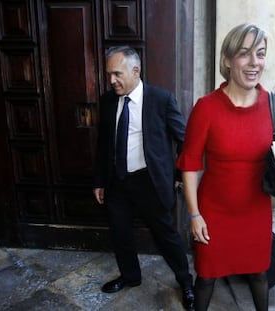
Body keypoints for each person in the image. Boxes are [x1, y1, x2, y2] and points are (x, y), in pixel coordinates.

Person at [176, 23, 275, 311]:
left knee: (259, 273)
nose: (254, 62)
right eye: (244, 54)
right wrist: (194, 215)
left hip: (256, 211)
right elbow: (191, 165)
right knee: (206, 277)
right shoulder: (206, 107)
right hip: (213, 212)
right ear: (228, 60)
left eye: (260, 53)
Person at [92, 46, 194, 310]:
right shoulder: (107, 100)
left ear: (135, 71)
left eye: (117, 73)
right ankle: (130, 276)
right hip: (117, 182)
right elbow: (104, 144)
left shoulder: (160, 99)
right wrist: (100, 180)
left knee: (166, 236)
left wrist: (178, 176)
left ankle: (186, 282)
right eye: (109, 74)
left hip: (150, 182)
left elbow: (185, 139)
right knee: (120, 233)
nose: (111, 80)